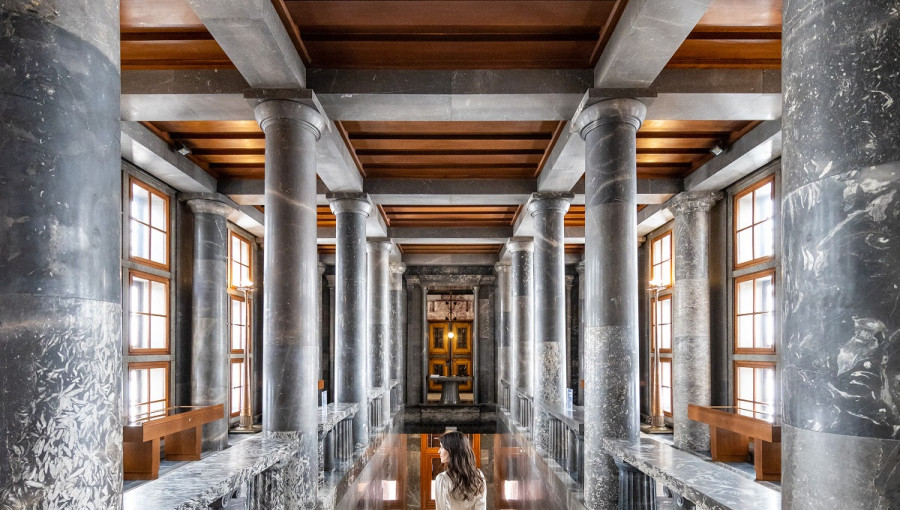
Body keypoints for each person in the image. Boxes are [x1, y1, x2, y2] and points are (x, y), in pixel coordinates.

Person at [434, 431, 486, 510]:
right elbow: (481, 507)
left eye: (441, 447)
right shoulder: (478, 475)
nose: (439, 451)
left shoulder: (442, 479)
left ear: (451, 450)